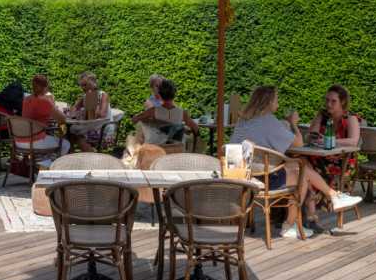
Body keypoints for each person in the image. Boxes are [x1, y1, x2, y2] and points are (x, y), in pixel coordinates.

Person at [231, 86, 361, 239]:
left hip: (243, 174)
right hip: (262, 177)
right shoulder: (268, 120)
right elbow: (299, 143)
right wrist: (293, 123)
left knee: (301, 163)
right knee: (302, 175)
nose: (278, 104)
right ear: (269, 102)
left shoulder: (243, 120)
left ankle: (333, 197)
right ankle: (290, 225)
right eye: (276, 100)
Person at [303, 84, 362, 231]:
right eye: (327, 100)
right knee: (302, 163)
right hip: (321, 157)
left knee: (304, 166)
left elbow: (353, 141)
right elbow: (308, 136)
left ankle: (309, 214)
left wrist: (329, 140)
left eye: (333, 101)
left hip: (343, 161)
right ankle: (312, 213)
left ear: (342, 102)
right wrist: (315, 137)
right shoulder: (322, 115)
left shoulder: (351, 118)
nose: (328, 104)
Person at [19, 74, 70, 164]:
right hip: (35, 141)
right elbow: (62, 119)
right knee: (65, 144)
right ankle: (53, 169)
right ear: (45, 87)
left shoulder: (26, 99)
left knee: (50, 144)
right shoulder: (44, 101)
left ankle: (43, 165)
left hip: (20, 141)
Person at [131, 79, 199, 143]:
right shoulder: (182, 112)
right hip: (178, 149)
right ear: (174, 93)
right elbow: (196, 129)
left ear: (160, 94)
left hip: (160, 147)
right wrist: (184, 130)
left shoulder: (153, 111)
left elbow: (134, 119)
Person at [68, 72, 114, 152]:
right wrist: (75, 111)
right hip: (90, 127)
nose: (83, 88)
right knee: (68, 137)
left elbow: (102, 115)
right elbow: (74, 108)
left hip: (103, 128)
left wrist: (86, 113)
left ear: (92, 84)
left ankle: (93, 162)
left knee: (80, 140)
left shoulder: (102, 95)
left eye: (85, 85)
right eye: (81, 85)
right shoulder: (85, 96)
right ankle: (75, 161)